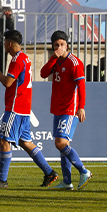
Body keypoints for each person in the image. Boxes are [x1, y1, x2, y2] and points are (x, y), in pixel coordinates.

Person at [0, 30, 60, 189]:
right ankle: (49, 172)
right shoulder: (25, 58)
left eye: (4, 42)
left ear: (9, 43)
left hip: (15, 107)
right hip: (23, 107)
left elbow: (8, 83)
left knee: (4, 139)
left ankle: (2, 180)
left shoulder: (17, 60)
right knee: (25, 142)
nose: (4, 45)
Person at [40, 31, 92, 190]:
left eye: (62, 44)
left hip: (70, 108)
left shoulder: (74, 62)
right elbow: (43, 73)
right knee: (63, 144)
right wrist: (52, 59)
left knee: (60, 143)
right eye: (56, 45)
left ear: (67, 45)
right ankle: (67, 181)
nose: (59, 47)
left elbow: (81, 86)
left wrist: (81, 107)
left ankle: (84, 171)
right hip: (58, 108)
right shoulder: (55, 61)